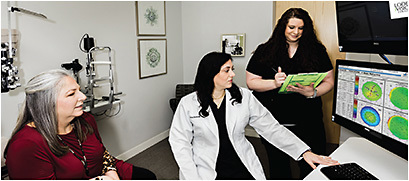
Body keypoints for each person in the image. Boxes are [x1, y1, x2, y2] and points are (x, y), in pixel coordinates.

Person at [169, 52, 338, 180]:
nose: (233, 74)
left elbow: (271, 128)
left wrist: (304, 152)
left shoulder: (244, 97)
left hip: (240, 162)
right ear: (210, 74)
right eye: (226, 70)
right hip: (205, 167)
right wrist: (192, 176)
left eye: (232, 69)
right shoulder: (188, 103)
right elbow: (179, 142)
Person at [4, 69, 156, 180]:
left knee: (148, 177)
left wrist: (111, 173)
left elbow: (102, 153)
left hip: (104, 174)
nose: (82, 96)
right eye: (71, 94)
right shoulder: (25, 145)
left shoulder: (85, 120)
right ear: (46, 104)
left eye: (79, 90)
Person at [246, 8, 335, 179]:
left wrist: (313, 92)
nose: (296, 32)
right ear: (283, 27)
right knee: (279, 168)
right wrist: (274, 83)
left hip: (309, 121)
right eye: (292, 27)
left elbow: (329, 81)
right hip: (274, 123)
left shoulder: (317, 51)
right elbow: (251, 82)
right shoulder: (265, 51)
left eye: (301, 28)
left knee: (313, 168)